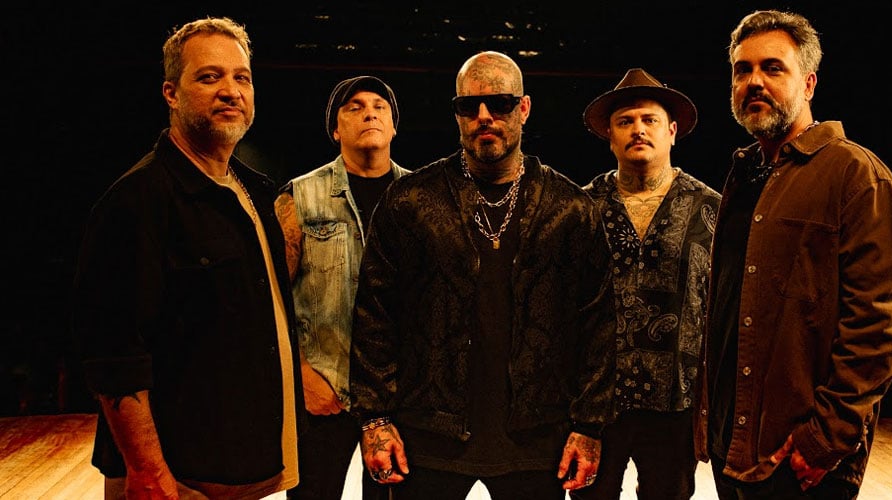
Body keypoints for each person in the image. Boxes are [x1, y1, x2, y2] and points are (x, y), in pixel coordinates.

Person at [348, 50, 617, 499]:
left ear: (524, 108)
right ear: (456, 114)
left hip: (537, 439)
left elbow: (599, 324)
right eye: (469, 106)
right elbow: (374, 313)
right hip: (427, 437)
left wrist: (589, 425)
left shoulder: (570, 208)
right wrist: (375, 418)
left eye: (501, 103)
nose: (484, 116)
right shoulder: (410, 201)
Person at [71, 16, 303, 500]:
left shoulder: (257, 192)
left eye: (242, 77)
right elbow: (114, 352)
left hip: (246, 467)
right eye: (209, 76)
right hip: (177, 479)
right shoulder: (136, 200)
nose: (230, 90)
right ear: (171, 93)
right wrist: (147, 471)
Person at [694, 9, 892, 500]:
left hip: (799, 459)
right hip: (736, 446)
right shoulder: (745, 175)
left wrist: (825, 439)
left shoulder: (857, 176)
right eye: (742, 70)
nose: (754, 81)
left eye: (773, 68)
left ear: (809, 83)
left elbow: (880, 324)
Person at [572, 69, 721, 500]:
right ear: (610, 136)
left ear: (672, 131)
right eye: (625, 121)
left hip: (678, 404)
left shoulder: (711, 209)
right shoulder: (582, 208)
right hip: (596, 403)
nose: (638, 129)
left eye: (649, 119)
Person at [275, 75, 410, 500]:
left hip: (400, 396)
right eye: (354, 107)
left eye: (379, 106)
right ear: (335, 129)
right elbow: (270, 300)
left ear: (393, 126)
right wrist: (300, 375)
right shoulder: (300, 196)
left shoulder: (420, 198)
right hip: (323, 388)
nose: (369, 113)